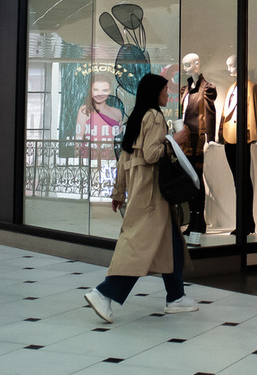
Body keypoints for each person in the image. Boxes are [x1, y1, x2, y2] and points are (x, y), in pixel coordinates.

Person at [84, 73, 198, 323]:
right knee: (140, 249)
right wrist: (175, 141)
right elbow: (152, 154)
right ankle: (104, 293)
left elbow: (124, 158)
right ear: (155, 92)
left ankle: (176, 296)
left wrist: (118, 192)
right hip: (153, 194)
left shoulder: (137, 117)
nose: (167, 94)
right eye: (165, 90)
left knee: (171, 244)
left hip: (140, 190)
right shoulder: (155, 116)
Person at [218, 54, 257, 236]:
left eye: (233, 66)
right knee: (238, 181)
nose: (229, 69)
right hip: (229, 138)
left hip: (242, 139)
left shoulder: (251, 87)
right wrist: (219, 135)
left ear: (242, 65)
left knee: (243, 181)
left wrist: (253, 137)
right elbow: (224, 114)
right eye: (228, 66)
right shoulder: (231, 88)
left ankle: (246, 222)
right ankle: (245, 222)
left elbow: (253, 112)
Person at [179, 53, 217, 243]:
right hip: (186, 139)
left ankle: (198, 221)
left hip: (198, 140)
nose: (185, 68)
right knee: (190, 179)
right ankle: (193, 220)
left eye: (188, 64)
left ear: (197, 64)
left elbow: (210, 113)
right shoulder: (186, 89)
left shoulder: (207, 88)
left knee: (197, 179)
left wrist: (210, 138)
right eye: (184, 64)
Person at [75, 74, 122, 157]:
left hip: (112, 160)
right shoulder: (84, 110)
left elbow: (120, 141)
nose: (100, 94)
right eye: (96, 90)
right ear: (91, 91)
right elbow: (78, 139)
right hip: (89, 159)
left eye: (104, 90)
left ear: (110, 91)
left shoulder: (117, 113)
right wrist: (77, 160)